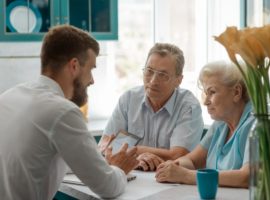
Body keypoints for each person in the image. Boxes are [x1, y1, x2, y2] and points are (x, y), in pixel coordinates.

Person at [0, 25, 138, 200]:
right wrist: (119, 168)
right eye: (91, 69)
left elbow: (44, 157)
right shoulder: (62, 112)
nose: (92, 80)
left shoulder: (10, 95)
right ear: (74, 66)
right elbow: (108, 187)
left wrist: (100, 163)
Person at [99, 43, 204, 171]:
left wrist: (137, 150)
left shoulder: (188, 107)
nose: (153, 81)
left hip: (172, 181)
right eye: (149, 71)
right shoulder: (128, 99)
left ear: (178, 80)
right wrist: (138, 158)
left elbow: (179, 155)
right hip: (132, 176)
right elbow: (107, 146)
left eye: (163, 75)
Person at [155, 60, 253, 187]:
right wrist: (173, 167)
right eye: (206, 93)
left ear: (236, 92)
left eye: (212, 92)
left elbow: (248, 177)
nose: (205, 102)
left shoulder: (258, 124)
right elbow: (191, 161)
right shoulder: (220, 124)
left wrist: (186, 175)